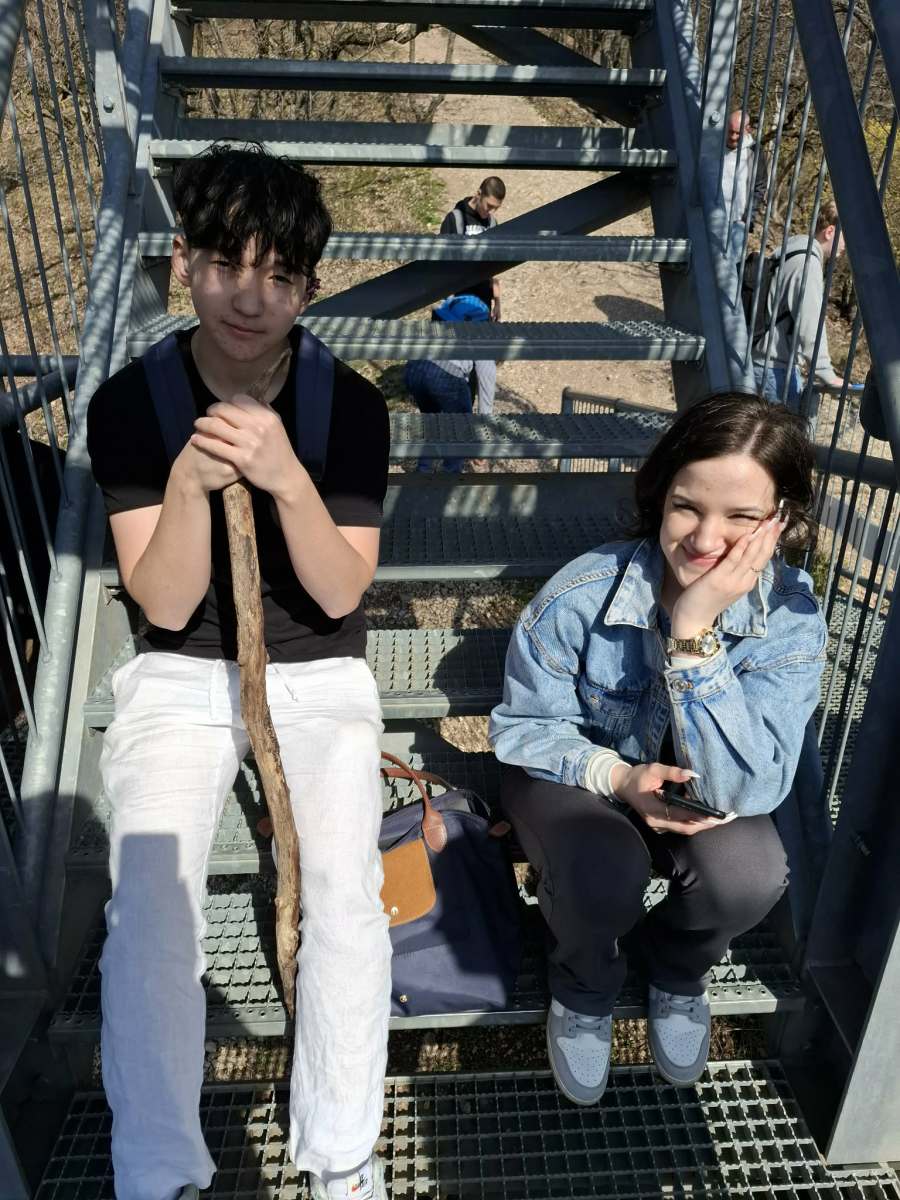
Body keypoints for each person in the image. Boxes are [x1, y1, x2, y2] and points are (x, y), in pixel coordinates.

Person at [86, 145, 391, 1200]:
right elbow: (164, 607)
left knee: (347, 892)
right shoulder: (132, 404)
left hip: (319, 669)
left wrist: (286, 480)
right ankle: (157, 1169)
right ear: (183, 262)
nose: (249, 299)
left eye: (279, 276)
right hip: (180, 673)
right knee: (152, 905)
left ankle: (341, 1154)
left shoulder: (348, 407)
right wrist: (185, 486)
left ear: (310, 287)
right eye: (225, 265)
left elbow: (342, 591)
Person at [489, 394, 826, 1105]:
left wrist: (694, 633)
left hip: (701, 795)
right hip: (578, 778)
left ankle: (675, 968)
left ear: (782, 520)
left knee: (751, 873)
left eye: (741, 517)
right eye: (686, 507)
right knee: (600, 863)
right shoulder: (584, 593)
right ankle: (584, 982)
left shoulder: (790, 619)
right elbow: (522, 727)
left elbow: (749, 790)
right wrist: (616, 775)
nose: (705, 538)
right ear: (660, 496)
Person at [753, 200, 845, 415]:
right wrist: (825, 372)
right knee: (785, 435)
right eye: (844, 239)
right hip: (776, 371)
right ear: (830, 232)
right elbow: (810, 322)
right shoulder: (807, 264)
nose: (845, 247)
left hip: (760, 362)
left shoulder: (791, 251)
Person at [404, 294, 496, 473]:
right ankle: (450, 477)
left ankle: (423, 471)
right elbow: (486, 383)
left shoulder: (438, 324)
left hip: (414, 369)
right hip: (445, 376)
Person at [440, 176, 506, 320]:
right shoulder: (455, 219)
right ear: (478, 194)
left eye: (496, 208)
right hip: (457, 301)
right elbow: (442, 265)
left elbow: (494, 267)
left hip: (483, 304)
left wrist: (497, 302)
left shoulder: (492, 224)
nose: (491, 212)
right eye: (489, 206)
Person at [721, 110, 769, 261]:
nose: (733, 137)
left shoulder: (755, 152)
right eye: (730, 132)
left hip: (738, 222)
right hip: (713, 216)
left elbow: (760, 186)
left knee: (733, 265)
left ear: (747, 130)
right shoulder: (714, 145)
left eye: (738, 133)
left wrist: (748, 217)